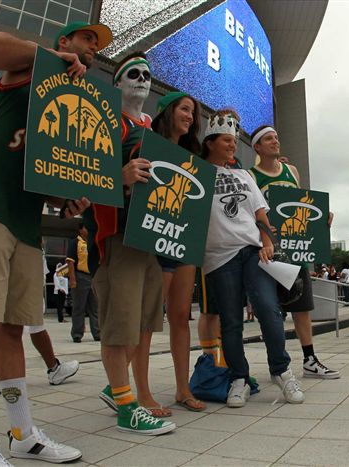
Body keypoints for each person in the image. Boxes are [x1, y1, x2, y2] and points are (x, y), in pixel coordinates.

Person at [0, 21, 113, 466]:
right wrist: (52, 59)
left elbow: (45, 174)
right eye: (87, 39)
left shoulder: (75, 105)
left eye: (97, 45)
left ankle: (22, 433)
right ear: (64, 42)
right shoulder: (36, 66)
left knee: (13, 329)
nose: (93, 48)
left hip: (23, 220)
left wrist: (67, 197)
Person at [84, 51, 176, 434]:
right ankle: (126, 406)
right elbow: (81, 173)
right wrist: (119, 176)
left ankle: (116, 386)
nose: (142, 79)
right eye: (133, 73)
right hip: (118, 235)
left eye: (147, 75)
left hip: (149, 238)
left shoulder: (150, 132)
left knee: (143, 323)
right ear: (117, 83)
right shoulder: (104, 121)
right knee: (120, 325)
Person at [201, 109, 305, 408]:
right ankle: (239, 377)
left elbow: (261, 213)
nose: (233, 145)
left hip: (252, 250)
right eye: (225, 140)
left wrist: (268, 241)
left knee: (269, 310)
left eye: (234, 141)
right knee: (231, 320)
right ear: (209, 142)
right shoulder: (198, 172)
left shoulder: (245, 175)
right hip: (219, 256)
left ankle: (281, 370)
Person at [249, 126, 340, 379]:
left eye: (277, 137)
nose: (275, 141)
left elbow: (301, 204)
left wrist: (322, 216)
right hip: (268, 251)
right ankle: (277, 363)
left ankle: (310, 359)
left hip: (294, 249)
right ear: (257, 146)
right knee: (271, 310)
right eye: (269, 138)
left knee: (302, 306)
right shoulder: (251, 176)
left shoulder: (292, 171)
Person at [150, 91, 206, 412]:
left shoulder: (193, 157)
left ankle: (183, 389)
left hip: (184, 241)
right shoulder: (146, 143)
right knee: (149, 316)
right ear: (167, 110)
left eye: (193, 113)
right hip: (155, 240)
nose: (190, 116)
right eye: (185, 109)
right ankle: (122, 385)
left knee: (180, 316)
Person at [66, 224, 99, 341]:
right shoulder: (75, 242)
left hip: (92, 276)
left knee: (95, 307)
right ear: (80, 230)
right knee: (79, 307)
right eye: (85, 228)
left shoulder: (92, 242)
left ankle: (97, 333)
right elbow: (70, 262)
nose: (87, 230)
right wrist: (72, 279)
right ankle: (77, 333)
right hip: (80, 276)